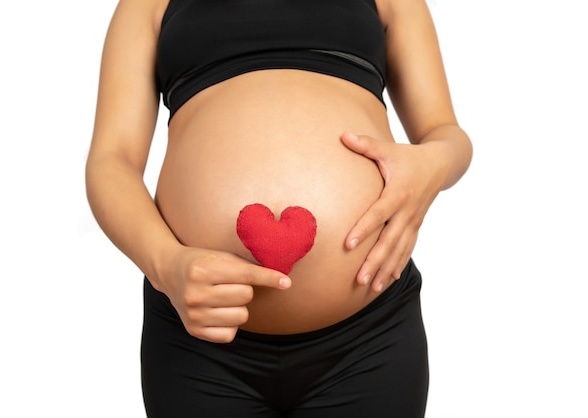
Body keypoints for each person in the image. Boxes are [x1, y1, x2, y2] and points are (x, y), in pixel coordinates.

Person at [85, 0, 472, 416]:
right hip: (198, 339)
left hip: (369, 335)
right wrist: (165, 264)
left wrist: (433, 163)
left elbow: (445, 133)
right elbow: (112, 161)